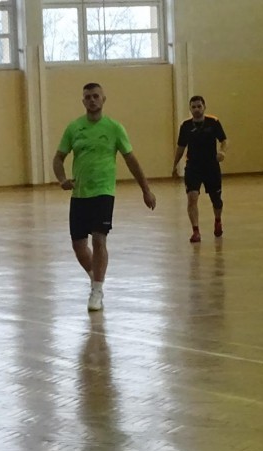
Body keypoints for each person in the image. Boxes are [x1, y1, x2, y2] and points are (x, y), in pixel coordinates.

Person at [53, 83, 156, 312]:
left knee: (99, 239)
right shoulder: (74, 128)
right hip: (80, 193)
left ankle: (97, 290)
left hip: (103, 192)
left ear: (103, 99)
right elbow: (58, 158)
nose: (92, 100)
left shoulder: (114, 128)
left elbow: (131, 160)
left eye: (96, 96)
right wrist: (62, 179)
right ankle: (95, 276)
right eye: (88, 97)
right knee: (78, 246)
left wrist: (146, 189)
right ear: (83, 101)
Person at [172, 95, 228, 243]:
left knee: (216, 199)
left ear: (204, 107)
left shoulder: (213, 122)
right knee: (192, 198)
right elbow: (181, 147)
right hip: (193, 167)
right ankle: (195, 231)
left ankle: (217, 220)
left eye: (199, 106)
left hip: (211, 167)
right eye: (193, 107)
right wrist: (175, 164)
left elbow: (224, 140)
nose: (196, 109)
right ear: (190, 109)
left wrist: (222, 152)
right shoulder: (185, 126)